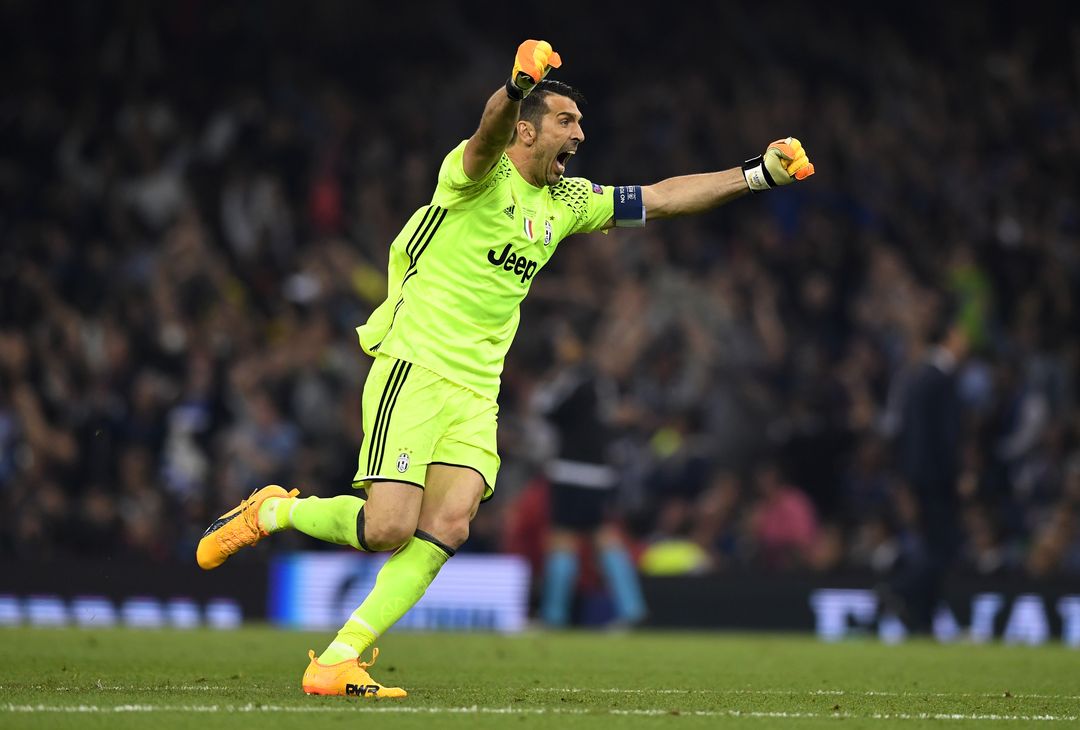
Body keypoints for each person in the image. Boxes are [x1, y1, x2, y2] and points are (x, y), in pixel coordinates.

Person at [196, 39, 815, 698]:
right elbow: (486, 132)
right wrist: (516, 85)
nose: (580, 133)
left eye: (580, 123)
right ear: (529, 128)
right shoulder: (477, 176)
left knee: (452, 523)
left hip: (476, 390)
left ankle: (337, 659)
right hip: (416, 363)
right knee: (386, 529)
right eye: (565, 122)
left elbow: (661, 198)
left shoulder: (567, 202)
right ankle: (273, 514)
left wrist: (756, 175)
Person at [532, 319, 646, 628]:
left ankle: (553, 617)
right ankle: (632, 609)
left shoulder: (575, 377)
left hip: (572, 471)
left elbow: (545, 408)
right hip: (600, 473)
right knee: (603, 536)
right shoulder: (602, 382)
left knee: (563, 539)